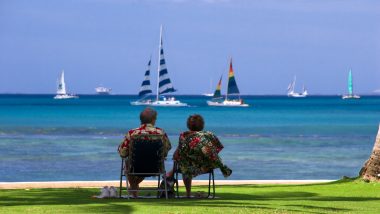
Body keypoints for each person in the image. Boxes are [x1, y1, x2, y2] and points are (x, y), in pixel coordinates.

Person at [167, 114, 232, 197]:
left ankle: (188, 193)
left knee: (183, 165)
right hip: (205, 167)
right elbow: (216, 150)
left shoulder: (184, 136)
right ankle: (172, 174)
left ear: (188, 125)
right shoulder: (209, 135)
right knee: (186, 164)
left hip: (188, 168)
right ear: (202, 125)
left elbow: (179, 153)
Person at [118, 107, 171, 198]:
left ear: (141, 120)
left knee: (129, 163)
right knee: (146, 161)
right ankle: (134, 190)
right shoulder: (161, 132)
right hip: (156, 167)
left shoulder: (132, 133)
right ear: (153, 120)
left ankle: (133, 191)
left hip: (135, 167)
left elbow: (123, 153)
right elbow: (167, 148)